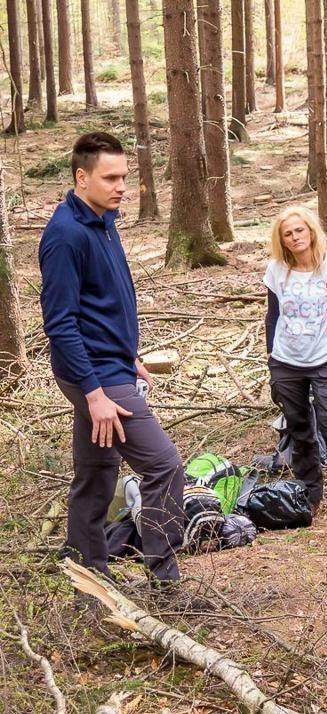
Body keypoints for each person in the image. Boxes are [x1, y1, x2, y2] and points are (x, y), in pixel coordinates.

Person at [39, 132, 186, 591]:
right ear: (81, 177)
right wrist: (95, 393)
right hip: (94, 374)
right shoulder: (66, 235)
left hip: (110, 365)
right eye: (110, 178)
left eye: (124, 176)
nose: (122, 186)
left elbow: (103, 303)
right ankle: (166, 581)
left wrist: (129, 355)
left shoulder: (103, 219)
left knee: (97, 472)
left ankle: (87, 571)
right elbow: (60, 323)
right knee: (164, 466)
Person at [263, 206, 327, 516]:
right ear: (281, 240)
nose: (295, 237)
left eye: (299, 230)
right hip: (286, 360)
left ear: (311, 231)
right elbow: (272, 315)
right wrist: (271, 357)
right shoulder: (276, 270)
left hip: (324, 357)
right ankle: (309, 495)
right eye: (288, 233)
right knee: (299, 430)